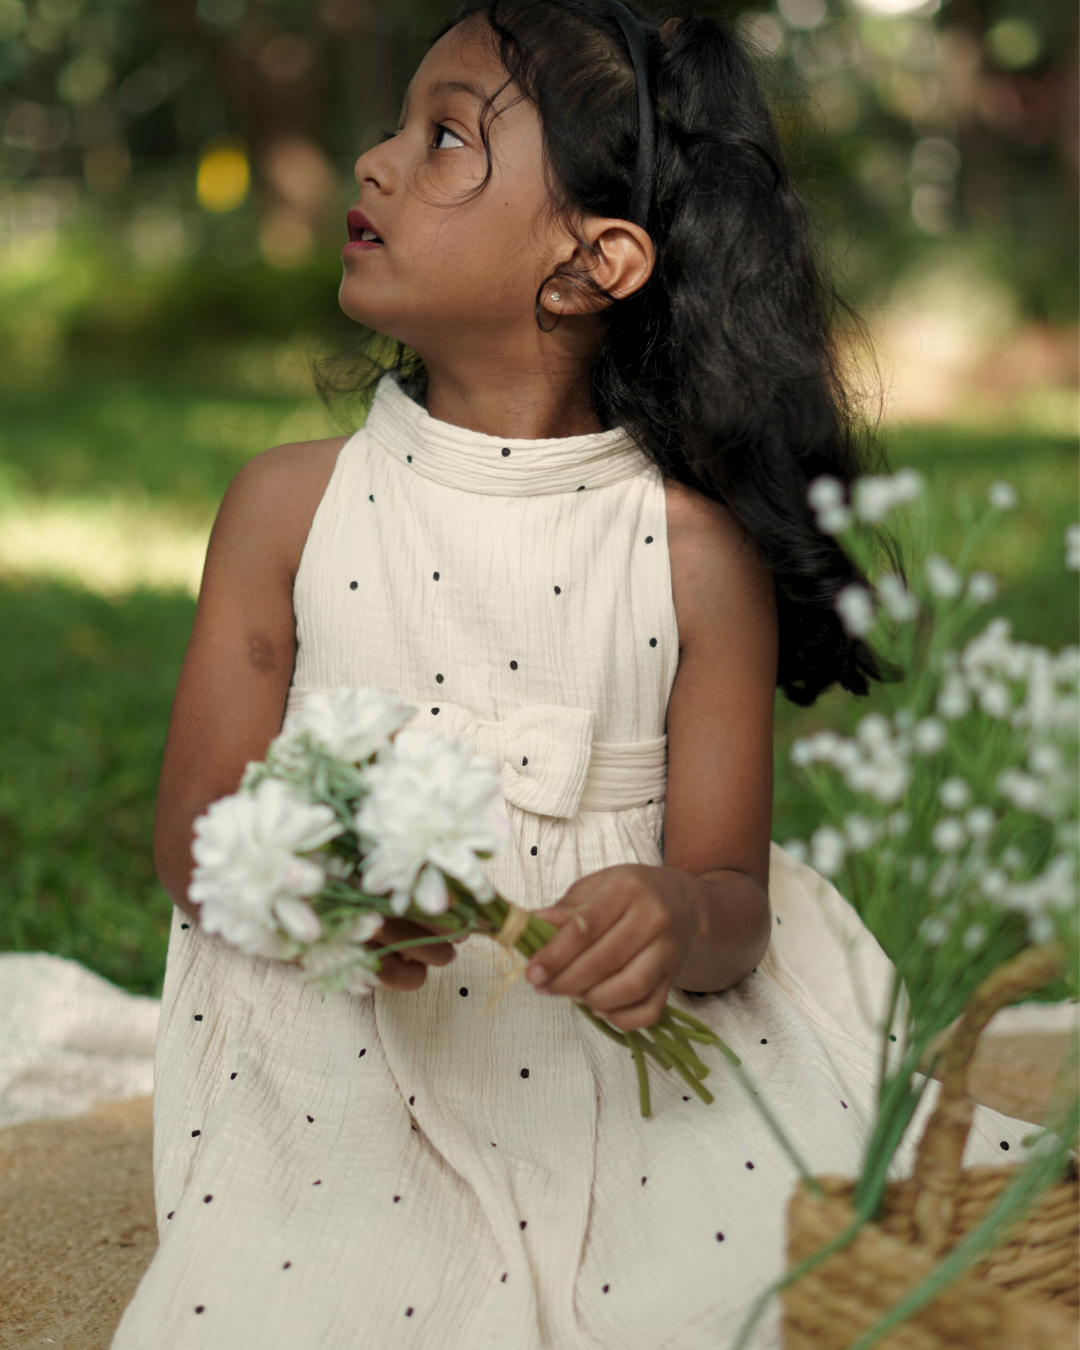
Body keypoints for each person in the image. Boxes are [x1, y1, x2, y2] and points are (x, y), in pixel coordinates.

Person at [111, 4, 1030, 1347]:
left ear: (591, 260)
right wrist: (323, 891)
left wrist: (672, 911)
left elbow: (729, 897)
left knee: (747, 1281)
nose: (373, 161)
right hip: (343, 1045)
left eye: (440, 138)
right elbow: (197, 829)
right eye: (397, 126)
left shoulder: (688, 556)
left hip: (611, 1058)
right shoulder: (289, 509)